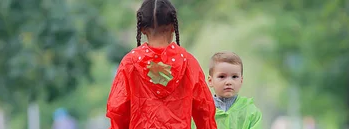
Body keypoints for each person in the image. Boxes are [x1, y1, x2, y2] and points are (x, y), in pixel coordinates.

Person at [105, 0, 217, 128]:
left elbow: (118, 109)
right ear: (173, 27)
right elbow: (205, 109)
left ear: (142, 29)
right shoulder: (188, 62)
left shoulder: (129, 63)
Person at [207, 51, 262, 129]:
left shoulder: (250, 112)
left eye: (234, 77)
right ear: (210, 81)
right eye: (222, 76)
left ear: (241, 81)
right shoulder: (203, 110)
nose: (229, 82)